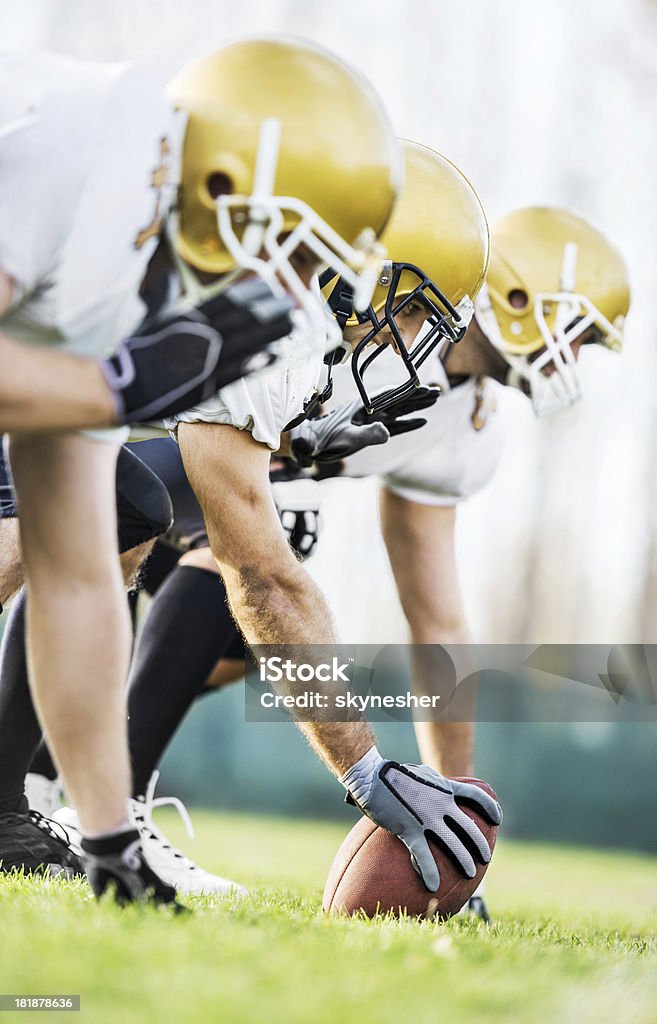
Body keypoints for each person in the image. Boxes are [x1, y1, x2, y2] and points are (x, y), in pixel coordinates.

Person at [0, 35, 401, 905]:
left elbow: (73, 577)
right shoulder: (64, 152)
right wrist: (112, 386)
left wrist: (110, 843)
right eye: (298, 254)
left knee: (102, 518)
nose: (298, 295)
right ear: (230, 185)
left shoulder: (130, 251)